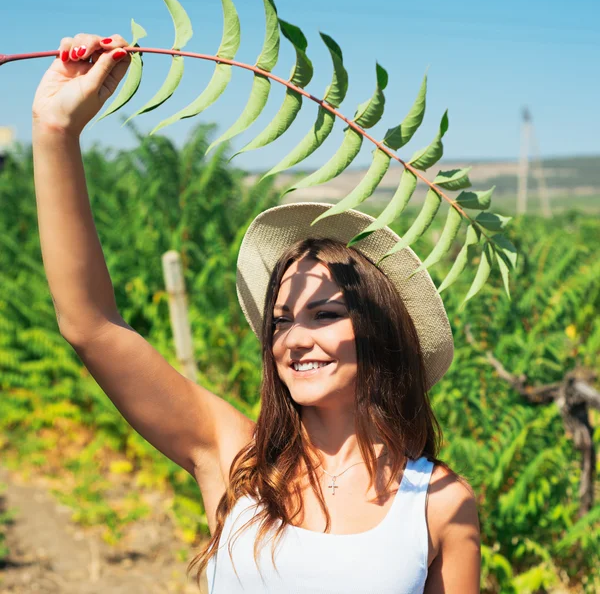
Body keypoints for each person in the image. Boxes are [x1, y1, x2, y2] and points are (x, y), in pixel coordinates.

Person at [32, 33, 481, 593]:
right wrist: (55, 131)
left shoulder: (438, 505)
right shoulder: (235, 460)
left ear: (380, 332)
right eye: (281, 320)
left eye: (323, 314)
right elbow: (90, 324)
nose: (295, 338)